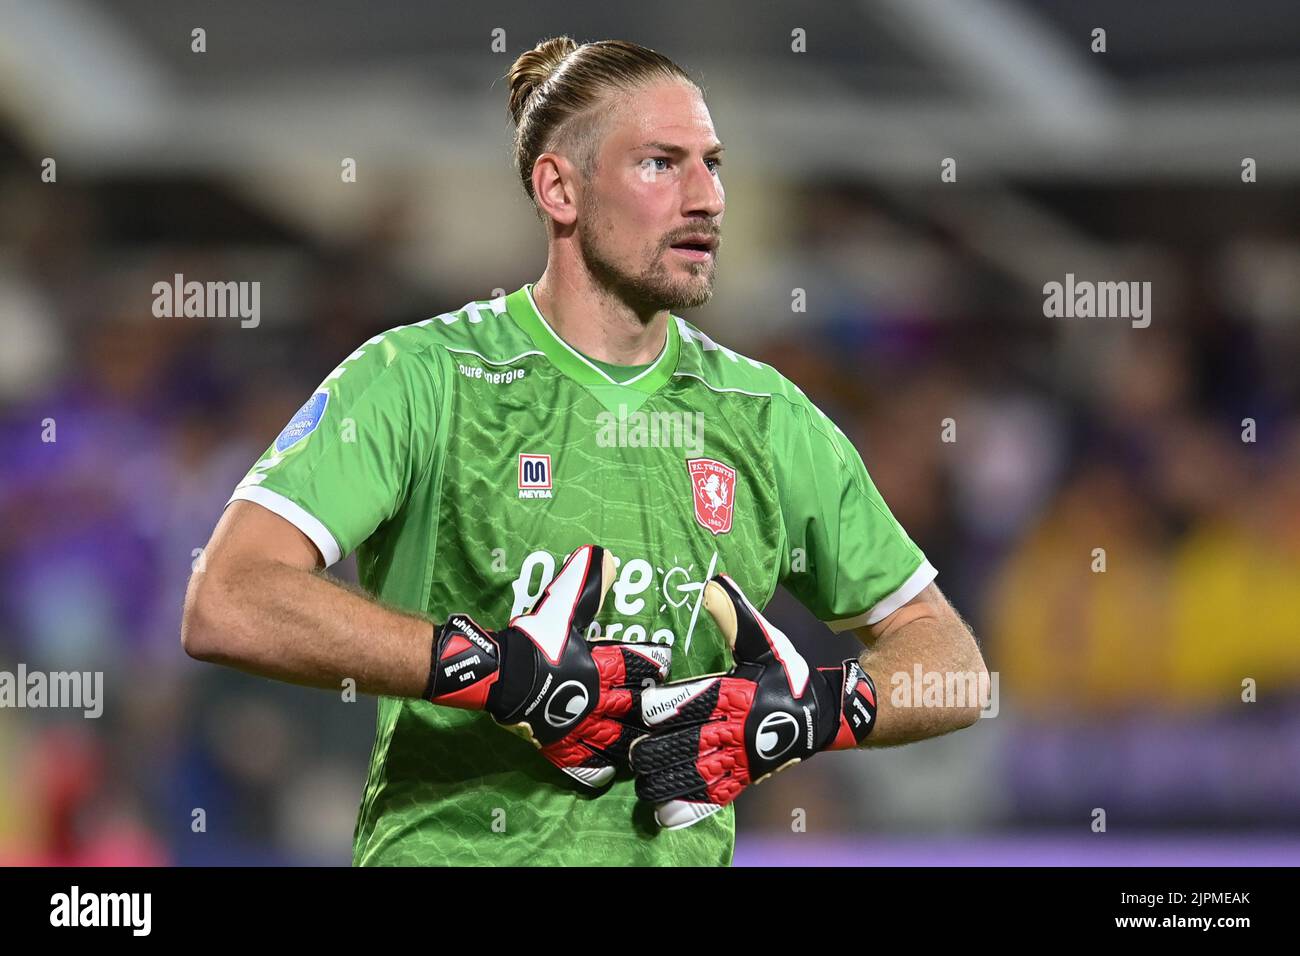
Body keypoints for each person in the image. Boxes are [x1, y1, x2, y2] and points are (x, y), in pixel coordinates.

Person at [182, 35, 986, 866]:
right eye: (660, 164)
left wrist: (820, 711)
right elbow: (228, 598)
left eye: (712, 164)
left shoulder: (766, 416)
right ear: (559, 188)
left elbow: (954, 667)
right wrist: (496, 674)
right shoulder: (422, 379)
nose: (707, 197)